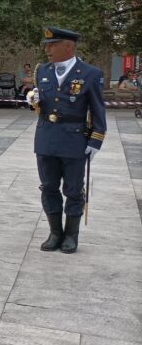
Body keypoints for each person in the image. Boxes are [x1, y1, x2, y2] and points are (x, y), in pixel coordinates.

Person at [26, 27, 106, 254]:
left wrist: (95, 141)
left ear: (68, 46)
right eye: (47, 45)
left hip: (74, 140)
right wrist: (34, 99)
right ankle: (55, 232)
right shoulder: (43, 70)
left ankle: (71, 234)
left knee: (73, 189)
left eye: (52, 45)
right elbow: (41, 103)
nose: (47, 49)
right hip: (46, 138)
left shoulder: (90, 73)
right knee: (48, 187)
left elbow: (98, 110)